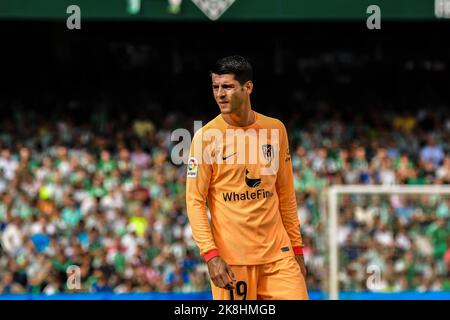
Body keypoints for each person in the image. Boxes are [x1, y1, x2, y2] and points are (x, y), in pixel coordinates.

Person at [186, 55, 308, 300]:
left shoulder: (275, 129)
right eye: (216, 87)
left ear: (248, 87)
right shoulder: (205, 137)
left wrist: (297, 249)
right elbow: (195, 200)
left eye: (228, 86)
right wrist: (210, 255)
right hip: (232, 261)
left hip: (279, 256)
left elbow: (285, 193)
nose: (220, 94)